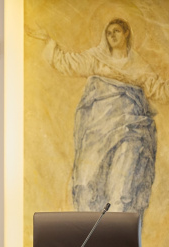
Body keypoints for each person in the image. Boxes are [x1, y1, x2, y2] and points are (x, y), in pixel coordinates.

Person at [27, 18, 169, 218]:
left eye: (117, 31)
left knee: (123, 188)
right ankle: (94, 238)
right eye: (109, 32)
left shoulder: (138, 65)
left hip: (131, 129)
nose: (112, 35)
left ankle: (120, 238)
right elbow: (67, 63)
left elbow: (158, 89)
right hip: (98, 129)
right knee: (88, 183)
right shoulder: (96, 58)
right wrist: (48, 41)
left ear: (126, 33)